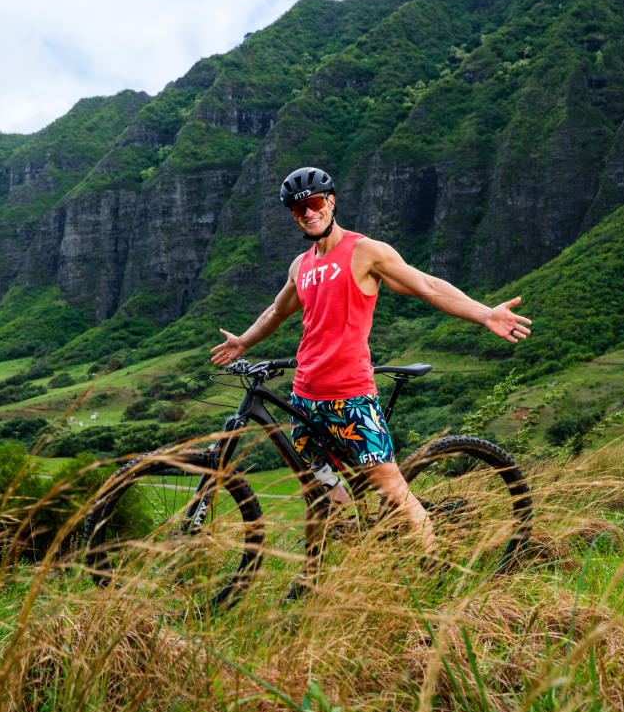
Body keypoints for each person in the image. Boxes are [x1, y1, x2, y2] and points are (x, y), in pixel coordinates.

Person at [209, 166, 532, 552]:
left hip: (350, 396)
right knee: (319, 491)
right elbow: (277, 312)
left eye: (313, 203)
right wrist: (243, 342)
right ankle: (332, 567)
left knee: (392, 489)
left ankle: (436, 570)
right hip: (305, 397)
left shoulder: (365, 252)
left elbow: (427, 286)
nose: (308, 213)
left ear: (330, 202)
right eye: (298, 210)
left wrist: (484, 314)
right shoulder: (301, 266)